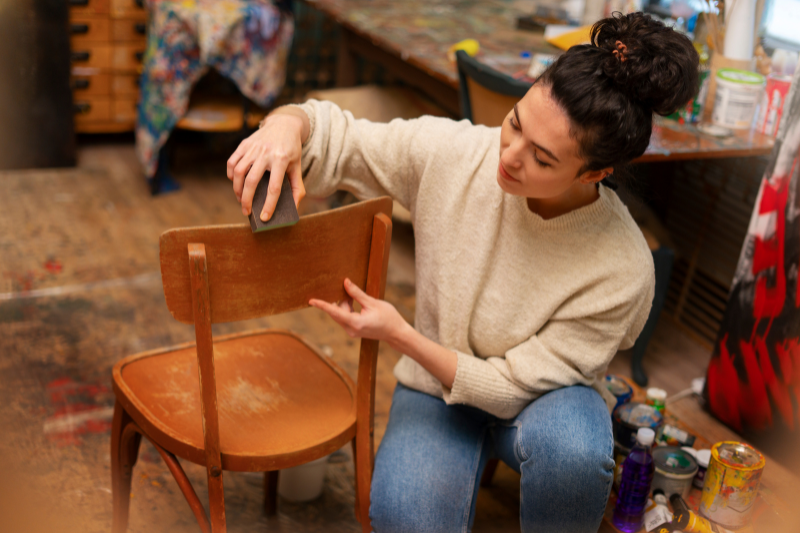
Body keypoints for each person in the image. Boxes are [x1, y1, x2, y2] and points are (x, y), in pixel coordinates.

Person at [226, 12, 698, 533]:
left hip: (543, 402)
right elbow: (339, 137)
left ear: (594, 173)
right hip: (435, 388)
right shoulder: (455, 153)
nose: (509, 157)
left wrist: (400, 335)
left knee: (575, 457)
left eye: (541, 159)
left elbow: (510, 387)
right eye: (514, 123)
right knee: (405, 520)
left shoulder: (622, 267)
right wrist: (286, 126)